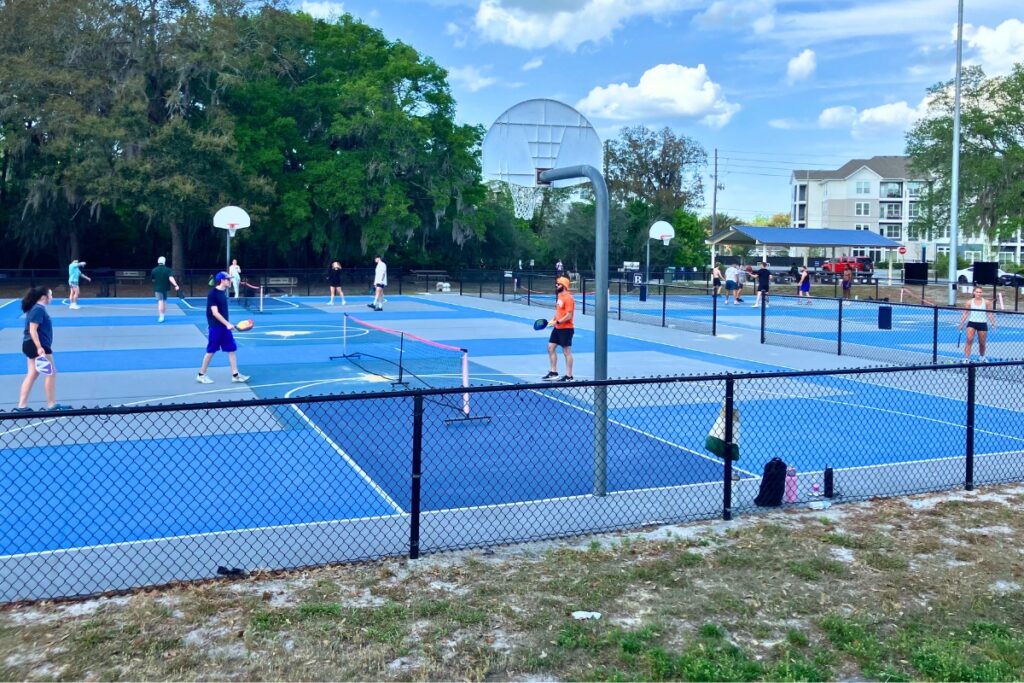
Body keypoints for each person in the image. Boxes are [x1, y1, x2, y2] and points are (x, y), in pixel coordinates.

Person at [14, 286, 70, 411]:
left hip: (30, 344)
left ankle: (22, 405)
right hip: (37, 345)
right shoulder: (38, 310)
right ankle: (51, 404)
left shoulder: (36, 309)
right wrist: (40, 348)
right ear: (44, 297)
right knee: (51, 373)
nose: (52, 297)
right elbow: (33, 330)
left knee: (32, 374)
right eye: (50, 295)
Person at [196, 272, 249, 384]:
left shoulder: (223, 293)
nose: (230, 281)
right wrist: (227, 324)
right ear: (222, 280)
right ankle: (201, 375)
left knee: (231, 349)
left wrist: (226, 325)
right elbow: (215, 313)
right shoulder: (213, 294)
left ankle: (235, 375)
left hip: (224, 327)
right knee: (211, 351)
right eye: (228, 279)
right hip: (216, 328)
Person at [542, 276, 575, 382]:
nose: (556, 285)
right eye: (556, 284)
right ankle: (553, 373)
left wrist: (558, 321)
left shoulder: (568, 298)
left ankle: (569, 376)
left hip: (566, 329)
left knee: (566, 352)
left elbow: (569, 315)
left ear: (564, 286)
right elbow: (559, 312)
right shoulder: (560, 296)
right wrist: (553, 320)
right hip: (557, 327)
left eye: (559, 284)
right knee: (550, 347)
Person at [958, 285, 996, 362]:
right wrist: (961, 323)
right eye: (977, 292)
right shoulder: (969, 302)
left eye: (980, 292)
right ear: (974, 292)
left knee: (982, 343)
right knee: (969, 340)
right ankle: (966, 359)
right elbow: (965, 313)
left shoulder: (986, 302)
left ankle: (982, 357)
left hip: (982, 323)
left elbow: (989, 314)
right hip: (972, 323)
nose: (978, 293)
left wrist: (993, 323)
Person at [152, 256, 180, 323]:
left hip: (158, 289)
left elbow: (153, 280)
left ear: (158, 262)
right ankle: (163, 315)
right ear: (164, 262)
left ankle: (161, 316)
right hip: (166, 288)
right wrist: (176, 285)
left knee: (160, 301)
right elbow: (171, 278)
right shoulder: (168, 270)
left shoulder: (154, 270)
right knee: (164, 301)